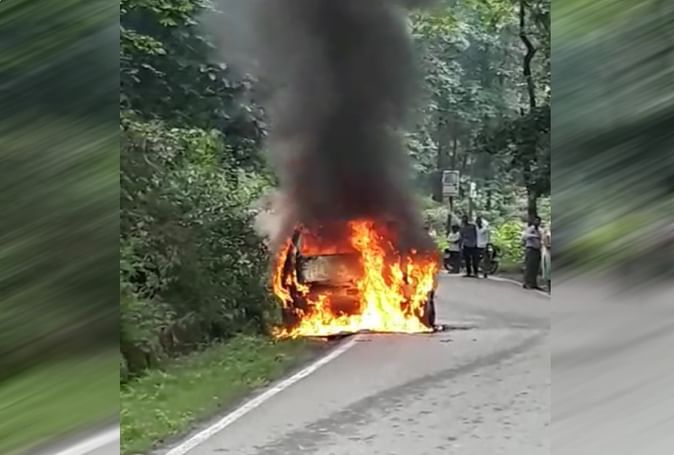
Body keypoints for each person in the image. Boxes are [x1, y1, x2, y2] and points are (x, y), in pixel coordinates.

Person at [521, 216, 543, 289]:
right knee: (529, 266)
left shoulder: (540, 230)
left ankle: (533, 283)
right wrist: (534, 236)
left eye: (539, 221)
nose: (537, 222)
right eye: (536, 221)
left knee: (535, 267)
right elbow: (524, 236)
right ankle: (526, 283)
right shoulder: (530, 229)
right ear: (534, 221)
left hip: (537, 250)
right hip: (530, 249)